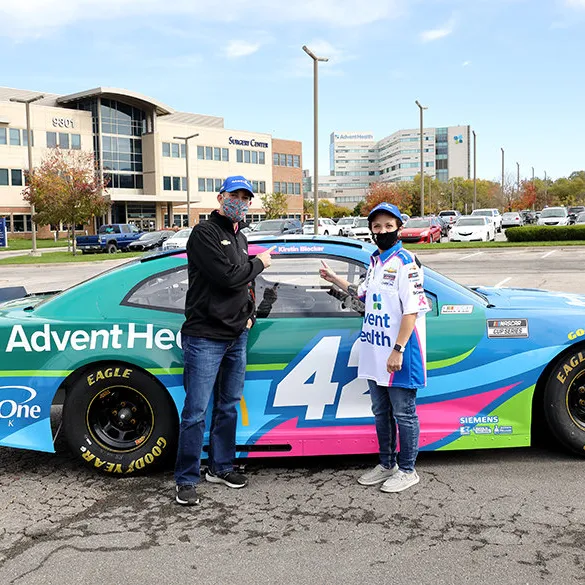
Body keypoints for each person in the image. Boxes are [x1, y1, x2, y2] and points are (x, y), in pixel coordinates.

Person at [174, 175, 275, 506]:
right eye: (235, 195)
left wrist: (250, 315)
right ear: (221, 197)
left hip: (236, 336)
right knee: (196, 411)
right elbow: (229, 278)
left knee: (229, 405)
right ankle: (186, 479)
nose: (241, 202)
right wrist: (260, 263)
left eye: (246, 197)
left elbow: (245, 286)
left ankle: (221, 467)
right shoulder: (204, 233)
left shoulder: (241, 237)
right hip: (205, 337)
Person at [319, 202, 429, 493]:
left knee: (404, 413)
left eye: (388, 226)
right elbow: (363, 294)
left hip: (400, 353)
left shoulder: (406, 262)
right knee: (381, 411)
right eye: (377, 227)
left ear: (399, 229)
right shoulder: (375, 261)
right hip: (375, 351)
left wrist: (398, 350)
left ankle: (407, 470)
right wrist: (334, 279)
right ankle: (387, 463)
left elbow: (412, 311)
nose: (382, 231)